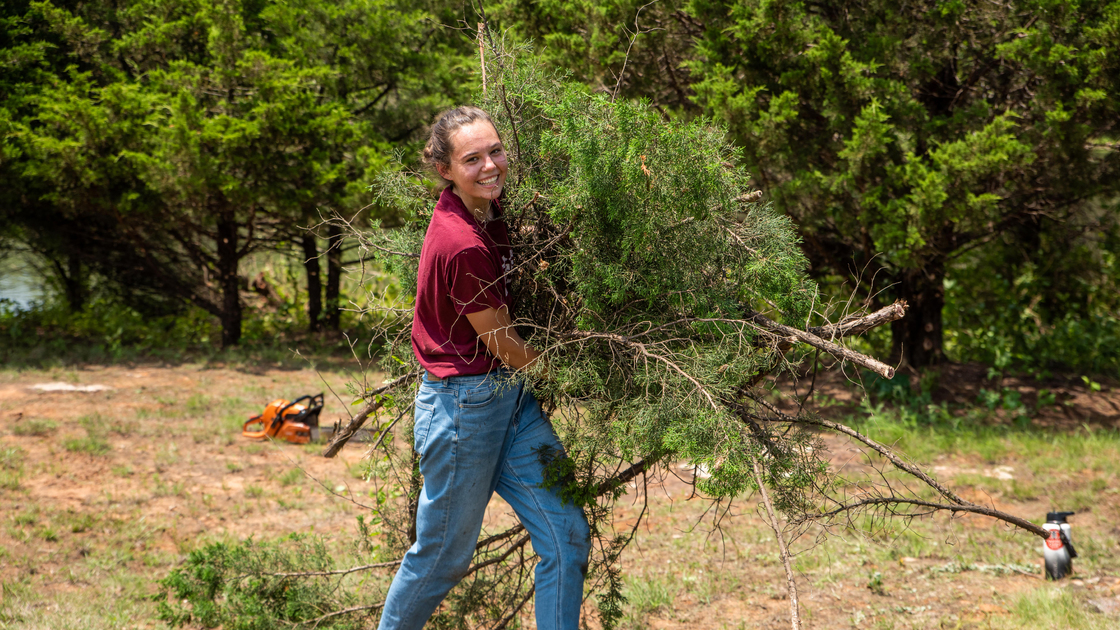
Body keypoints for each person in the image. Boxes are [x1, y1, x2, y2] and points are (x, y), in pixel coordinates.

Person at [377, 106, 591, 630]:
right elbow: (501, 343)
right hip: (463, 411)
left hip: (509, 402)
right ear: (444, 169)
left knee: (566, 536)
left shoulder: (487, 212)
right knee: (442, 558)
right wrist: (569, 375)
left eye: (495, 151)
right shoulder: (462, 242)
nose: (490, 165)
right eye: (472, 159)